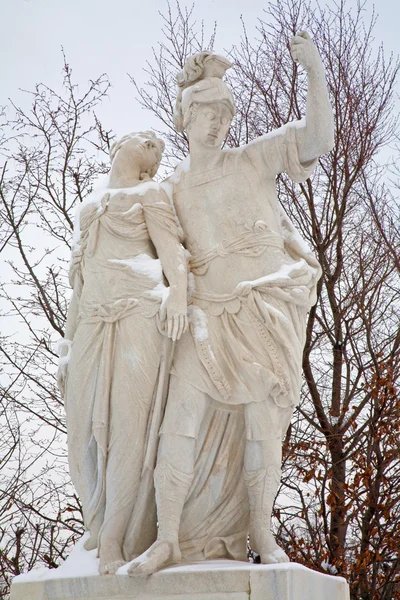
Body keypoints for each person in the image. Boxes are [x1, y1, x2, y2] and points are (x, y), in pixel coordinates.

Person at [129, 32, 334, 576]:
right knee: (179, 422)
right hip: (204, 319)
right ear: (186, 118)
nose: (219, 122)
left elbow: (317, 137)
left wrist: (312, 69)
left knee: (264, 429)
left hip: (262, 317)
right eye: (208, 112)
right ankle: (168, 536)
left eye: (226, 112)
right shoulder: (169, 189)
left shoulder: (254, 159)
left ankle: (262, 532)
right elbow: (154, 253)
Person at [57, 131, 188, 575]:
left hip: (139, 314)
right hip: (92, 321)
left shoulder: (150, 194)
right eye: (145, 139)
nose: (150, 143)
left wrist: (180, 296)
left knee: (129, 427)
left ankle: (114, 536)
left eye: (155, 145)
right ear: (118, 147)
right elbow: (80, 280)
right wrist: (68, 343)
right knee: (83, 433)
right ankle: (96, 525)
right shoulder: (90, 208)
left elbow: (172, 253)